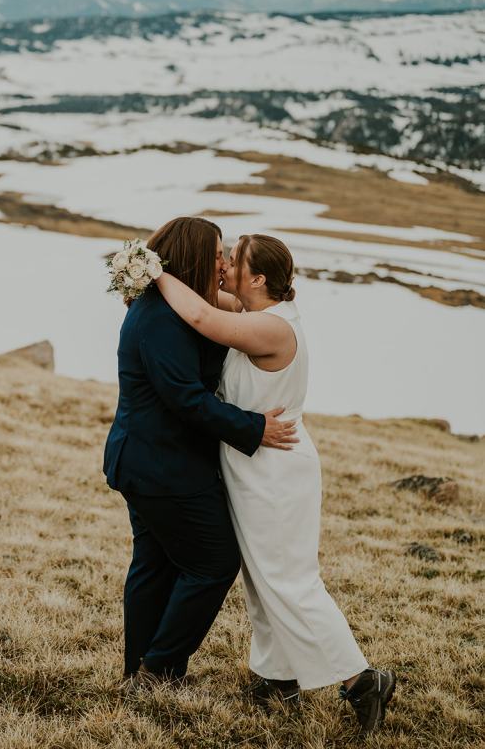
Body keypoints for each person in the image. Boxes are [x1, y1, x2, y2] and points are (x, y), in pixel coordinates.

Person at [154, 233, 396, 734]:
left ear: (258, 278)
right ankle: (276, 676)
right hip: (254, 466)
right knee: (262, 577)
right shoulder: (253, 311)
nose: (224, 267)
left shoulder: (270, 327)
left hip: (276, 471)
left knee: (290, 580)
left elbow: (199, 316)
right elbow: (203, 299)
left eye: (233, 261)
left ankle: (362, 679)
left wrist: (150, 270)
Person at [103, 217, 297, 686]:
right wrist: (255, 428)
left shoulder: (180, 303)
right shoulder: (159, 319)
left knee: (155, 564)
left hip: (154, 459)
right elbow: (186, 399)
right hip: (160, 464)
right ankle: (159, 669)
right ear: (191, 257)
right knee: (213, 564)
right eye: (215, 256)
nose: (222, 264)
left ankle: (140, 672)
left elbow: (229, 312)